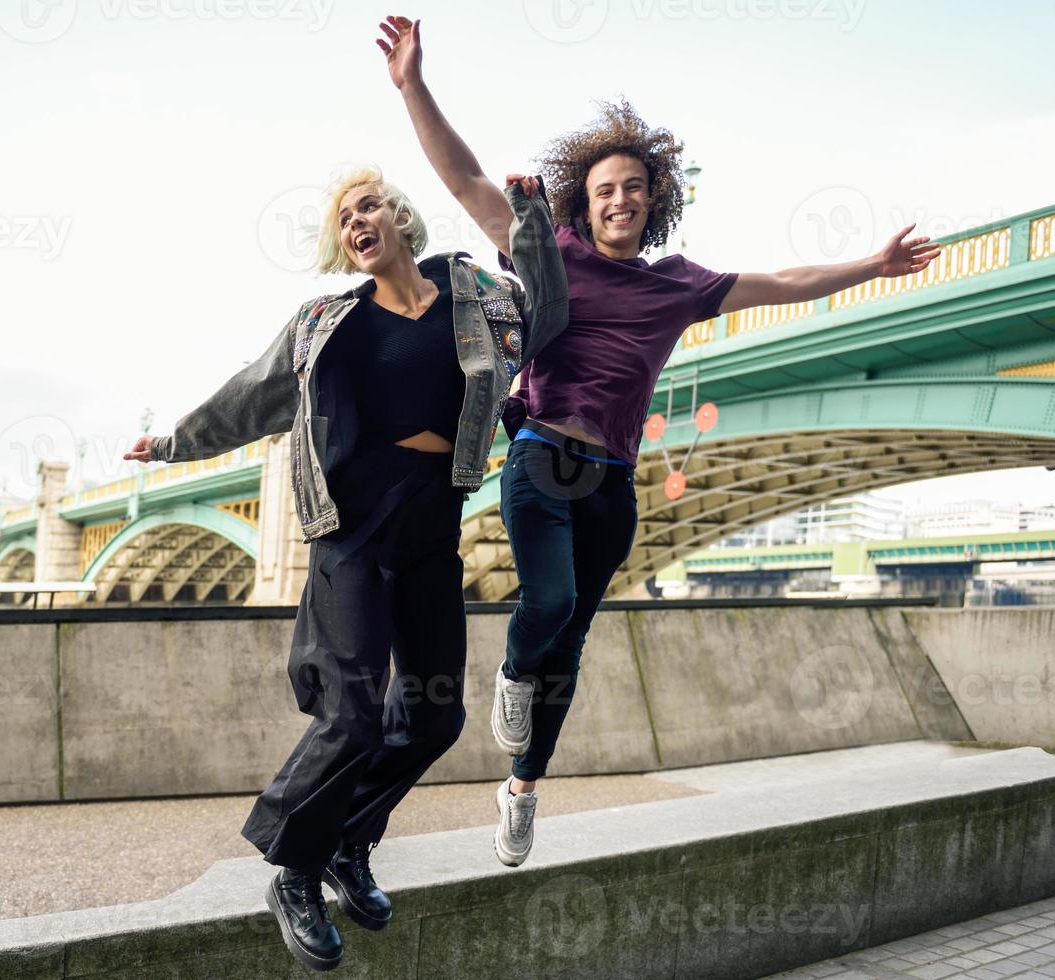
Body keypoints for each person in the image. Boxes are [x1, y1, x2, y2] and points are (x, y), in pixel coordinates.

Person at [376, 13, 941, 869]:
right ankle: (511, 678)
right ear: (584, 199)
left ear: (653, 199)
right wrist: (414, 84)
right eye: (605, 189)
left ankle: (522, 787)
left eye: (633, 188)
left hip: (613, 481)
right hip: (540, 460)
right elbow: (463, 181)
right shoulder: (549, 253)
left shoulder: (679, 285)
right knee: (550, 607)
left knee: (573, 641)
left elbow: (782, 281)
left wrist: (871, 264)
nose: (619, 199)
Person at [125, 164, 566, 971]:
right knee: (355, 714)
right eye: (344, 219)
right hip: (351, 527)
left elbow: (548, 312)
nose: (356, 222)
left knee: (435, 717)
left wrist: (532, 214)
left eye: (368, 207)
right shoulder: (326, 320)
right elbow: (250, 397)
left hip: (433, 521)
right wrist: (172, 443)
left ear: (399, 218)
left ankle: (347, 842)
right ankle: (296, 868)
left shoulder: (476, 298)